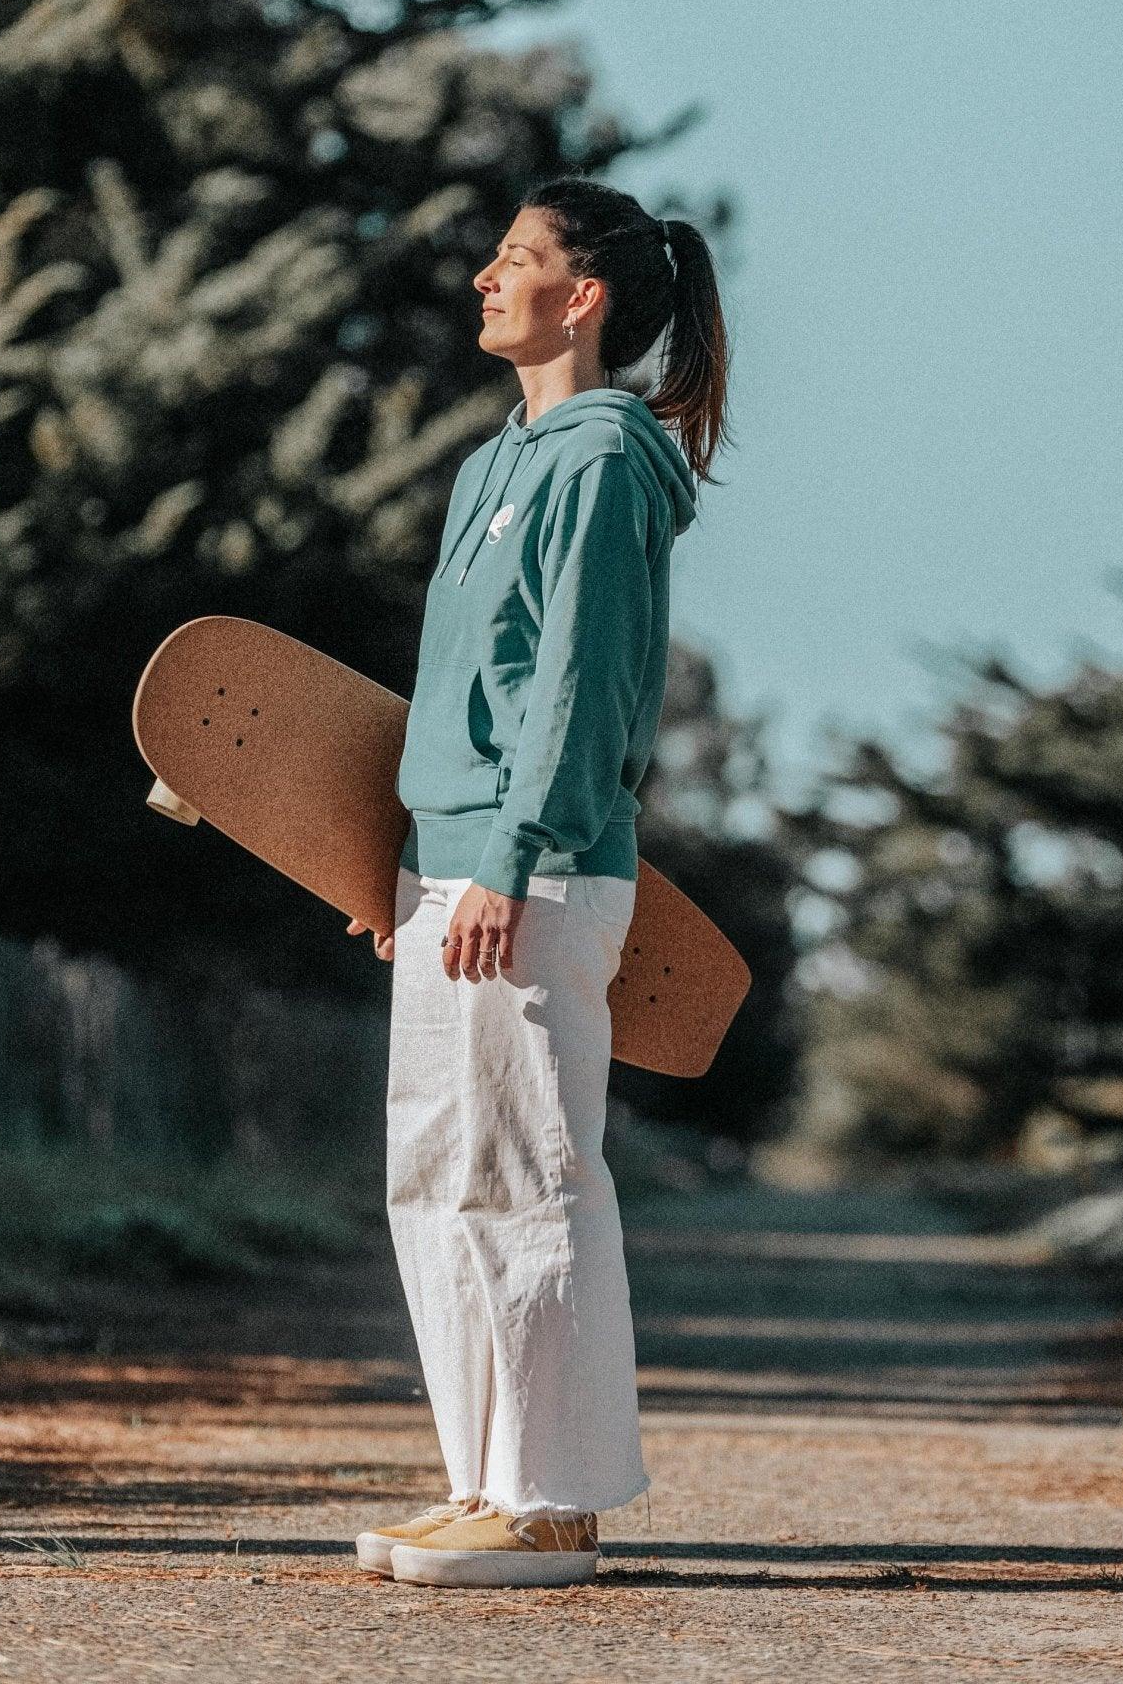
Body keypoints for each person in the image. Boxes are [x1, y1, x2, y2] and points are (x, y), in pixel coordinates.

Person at [346, 176, 733, 1589]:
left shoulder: (607, 459)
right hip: (446, 869)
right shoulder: (493, 463)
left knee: (530, 1178)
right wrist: (381, 862)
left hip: (542, 871)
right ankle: (481, 1480)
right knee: (434, 1180)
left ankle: (554, 1501)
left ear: (585, 298)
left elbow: (582, 689)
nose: (482, 282)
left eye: (514, 261)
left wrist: (509, 855)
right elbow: (462, 693)